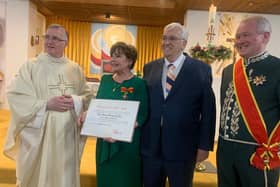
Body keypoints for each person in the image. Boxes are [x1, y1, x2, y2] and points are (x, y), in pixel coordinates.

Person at [3, 24, 92, 187]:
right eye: (47, 37)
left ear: (66, 43)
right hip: (39, 133)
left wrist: (75, 101)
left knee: (64, 174)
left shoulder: (75, 68)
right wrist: (46, 104)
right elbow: (16, 96)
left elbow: (87, 96)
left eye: (56, 38)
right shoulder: (31, 66)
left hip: (67, 134)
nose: (50, 41)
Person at [141, 22, 216, 187]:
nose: (166, 42)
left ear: (184, 43)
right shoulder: (150, 68)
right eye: (164, 38)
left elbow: (208, 111)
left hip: (183, 149)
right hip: (151, 147)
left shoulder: (201, 70)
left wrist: (204, 146)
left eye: (172, 38)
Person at [217, 16, 280, 187]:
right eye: (238, 37)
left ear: (265, 36)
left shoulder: (277, 68)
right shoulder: (229, 70)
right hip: (225, 149)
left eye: (246, 35)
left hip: (257, 152)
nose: (240, 41)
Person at [79, 41, 148, 187]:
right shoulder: (105, 80)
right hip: (104, 141)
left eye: (118, 56)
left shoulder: (139, 84)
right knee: (106, 179)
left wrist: (118, 132)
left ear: (129, 60)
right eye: (112, 56)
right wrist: (88, 114)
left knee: (125, 180)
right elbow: (99, 106)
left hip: (126, 144)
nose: (112, 60)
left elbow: (142, 114)